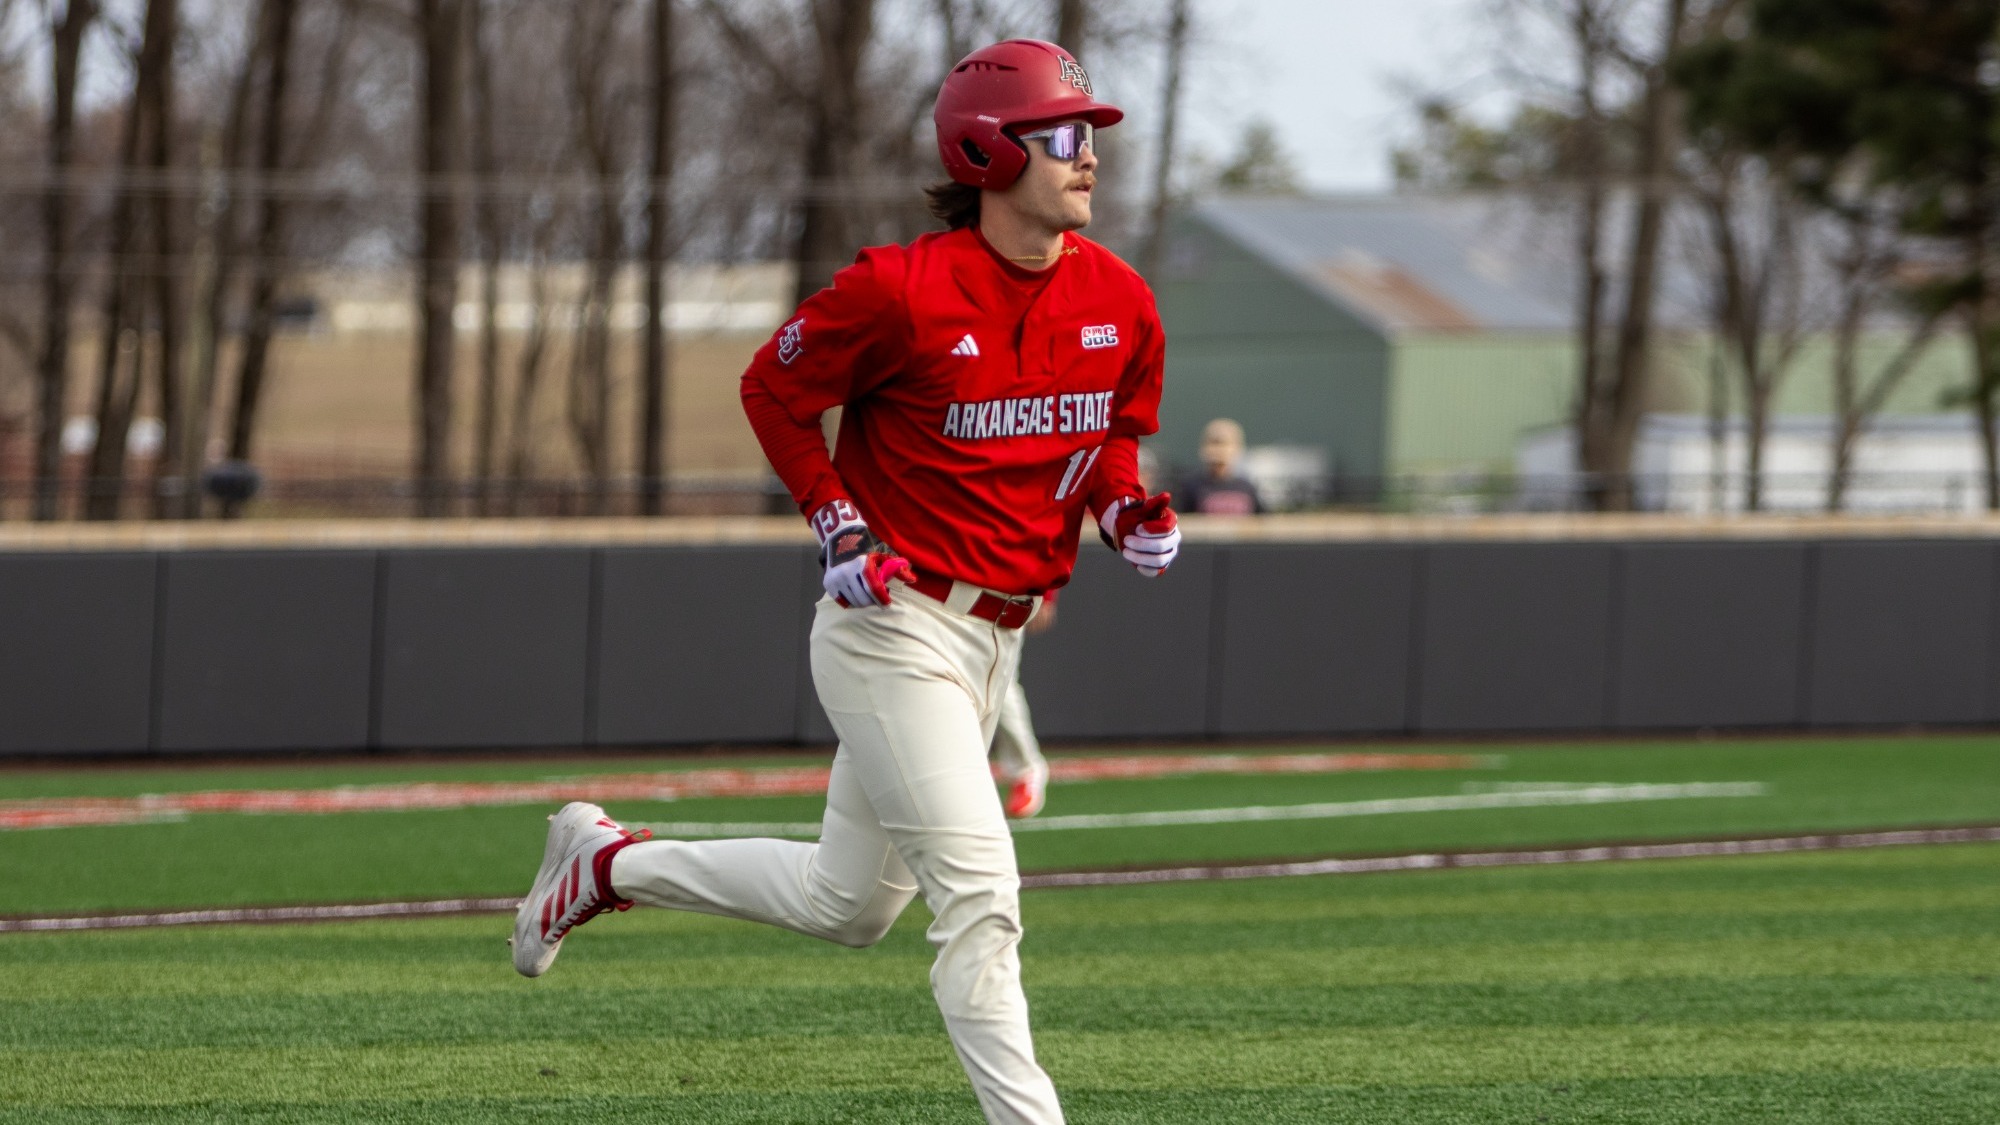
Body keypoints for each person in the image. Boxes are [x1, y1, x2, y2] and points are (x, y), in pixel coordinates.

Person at [509, 40, 1178, 1125]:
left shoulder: (1121, 299)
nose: (1086, 154)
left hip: (994, 641)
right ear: (983, 149)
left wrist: (1125, 511)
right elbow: (772, 390)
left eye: (1090, 133)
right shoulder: (898, 290)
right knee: (981, 900)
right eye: (1059, 134)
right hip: (894, 632)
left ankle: (607, 866)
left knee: (847, 905)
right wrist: (837, 522)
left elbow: (1109, 442)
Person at [990, 592, 1056, 819]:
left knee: (1000, 681)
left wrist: (1046, 594)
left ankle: (1026, 771)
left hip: (1002, 588)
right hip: (931, 591)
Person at [1179, 417, 1263, 515]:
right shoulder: (1191, 486)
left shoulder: (1247, 487)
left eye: (1224, 444)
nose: (1218, 450)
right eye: (1213, 443)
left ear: (1237, 447)